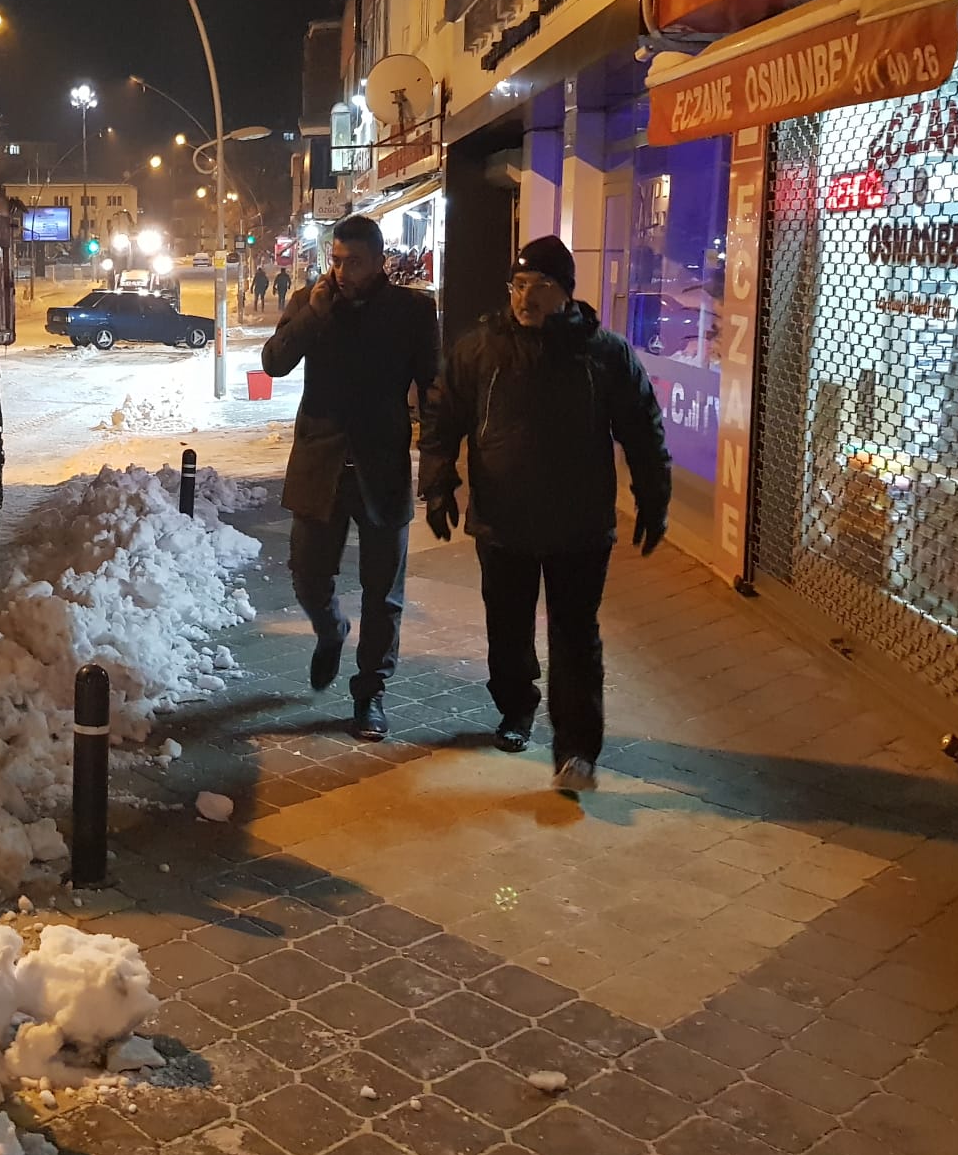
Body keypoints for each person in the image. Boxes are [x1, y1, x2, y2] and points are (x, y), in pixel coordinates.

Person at [418, 235, 670, 793]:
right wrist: (437, 485)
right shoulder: (479, 349)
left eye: (541, 286)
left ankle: (576, 748)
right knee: (507, 629)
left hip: (580, 525)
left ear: (566, 292)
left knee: (576, 636)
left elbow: (642, 426)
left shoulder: (603, 354)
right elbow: (442, 417)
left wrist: (654, 496)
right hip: (503, 520)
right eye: (519, 284)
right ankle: (516, 705)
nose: (526, 297)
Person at [262, 216, 440, 738]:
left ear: (379, 261)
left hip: (382, 468)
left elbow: (434, 389)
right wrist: (313, 316)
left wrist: (436, 465)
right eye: (336, 260)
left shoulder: (412, 311)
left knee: (383, 594)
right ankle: (331, 629)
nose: (341, 271)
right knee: (307, 575)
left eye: (353, 262)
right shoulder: (309, 302)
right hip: (320, 466)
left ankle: (370, 693)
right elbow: (273, 363)